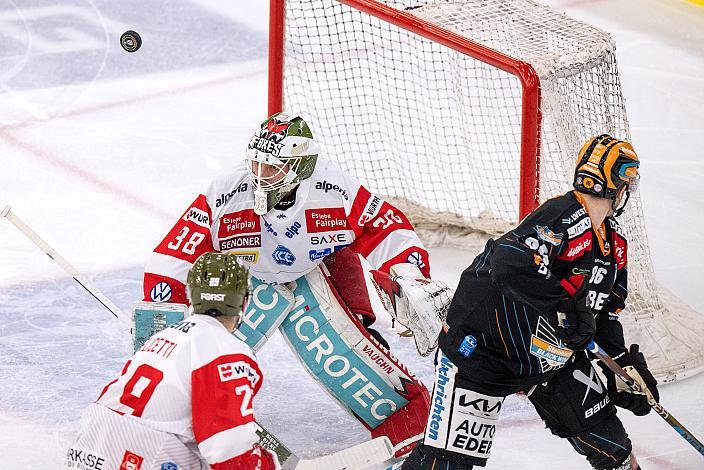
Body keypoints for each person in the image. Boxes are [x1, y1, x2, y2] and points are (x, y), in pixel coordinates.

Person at [141, 112, 452, 456]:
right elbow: (178, 248)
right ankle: (174, 416)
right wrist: (161, 314)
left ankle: (401, 415)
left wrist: (408, 276)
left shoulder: (333, 189)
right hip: (242, 283)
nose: (259, 175)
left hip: (311, 276)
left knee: (360, 375)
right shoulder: (227, 189)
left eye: (271, 168)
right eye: (257, 164)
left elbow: (386, 226)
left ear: (300, 167)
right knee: (196, 369)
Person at [402, 135, 658, 470]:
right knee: (445, 465)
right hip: (481, 352)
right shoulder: (562, 216)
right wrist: (564, 306)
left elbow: (605, 312)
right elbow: (508, 264)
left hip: (551, 360)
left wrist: (621, 363)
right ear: (616, 187)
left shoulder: (615, 246)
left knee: (614, 450)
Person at [64, 252, 279, 469]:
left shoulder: (164, 336)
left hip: (89, 442)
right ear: (243, 302)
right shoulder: (226, 349)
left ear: (192, 295)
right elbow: (229, 449)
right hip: (139, 453)